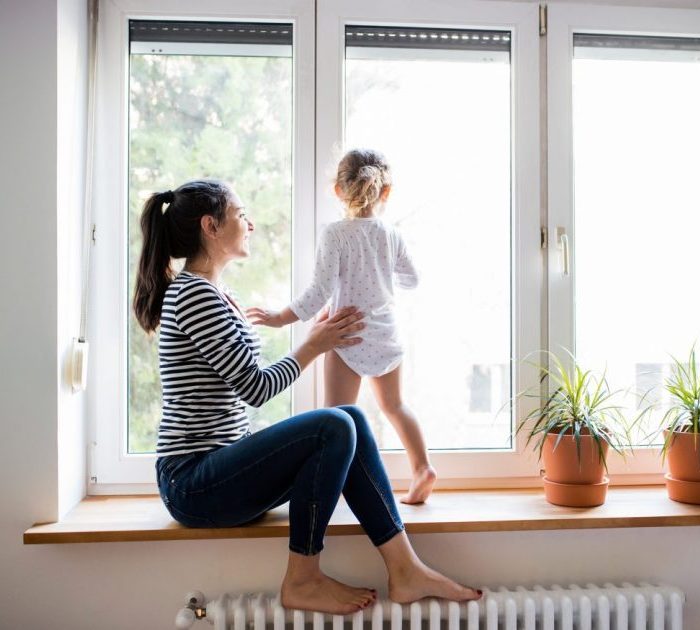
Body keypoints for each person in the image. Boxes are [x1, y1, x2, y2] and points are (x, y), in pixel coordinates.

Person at [133, 179, 481, 615]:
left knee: (349, 417)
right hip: (192, 483)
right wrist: (313, 345)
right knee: (333, 424)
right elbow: (255, 387)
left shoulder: (218, 294)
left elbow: (241, 379)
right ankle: (303, 578)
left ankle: (405, 568)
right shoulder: (195, 295)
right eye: (241, 215)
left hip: (218, 470)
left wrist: (315, 338)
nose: (251, 223)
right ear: (211, 227)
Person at [248, 149, 436, 504]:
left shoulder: (334, 235)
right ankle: (422, 468)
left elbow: (318, 292)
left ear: (337, 190)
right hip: (386, 332)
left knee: (336, 419)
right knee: (395, 406)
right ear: (386, 192)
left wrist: (278, 318)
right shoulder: (390, 234)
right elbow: (412, 279)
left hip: (346, 333)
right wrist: (380, 273)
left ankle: (337, 488)